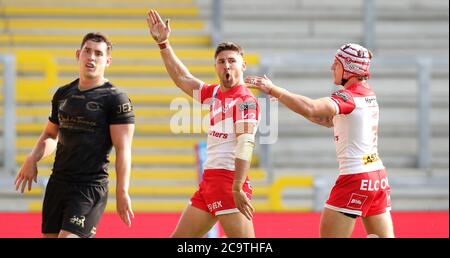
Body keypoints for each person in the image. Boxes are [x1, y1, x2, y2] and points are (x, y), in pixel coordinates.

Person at [246, 43, 394, 238]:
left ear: (349, 68)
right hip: (377, 178)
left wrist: (274, 90)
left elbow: (312, 108)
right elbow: (325, 120)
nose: (332, 68)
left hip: (355, 177)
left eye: (337, 63)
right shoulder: (368, 94)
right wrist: (284, 99)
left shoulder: (347, 96)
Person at [146, 9, 259, 238]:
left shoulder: (245, 100)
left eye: (232, 61)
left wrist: (237, 186)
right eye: (221, 61)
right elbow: (182, 79)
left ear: (243, 65)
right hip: (209, 184)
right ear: (215, 66)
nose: (226, 66)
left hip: (229, 183)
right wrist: (164, 44)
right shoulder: (215, 92)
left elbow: (246, 143)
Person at [14, 32, 136, 238]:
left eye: (98, 54)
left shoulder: (116, 99)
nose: (91, 57)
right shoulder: (63, 94)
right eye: (87, 51)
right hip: (58, 183)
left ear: (108, 61)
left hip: (89, 188)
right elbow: (51, 135)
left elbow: (123, 149)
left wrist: (122, 191)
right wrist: (32, 158)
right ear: (78, 54)